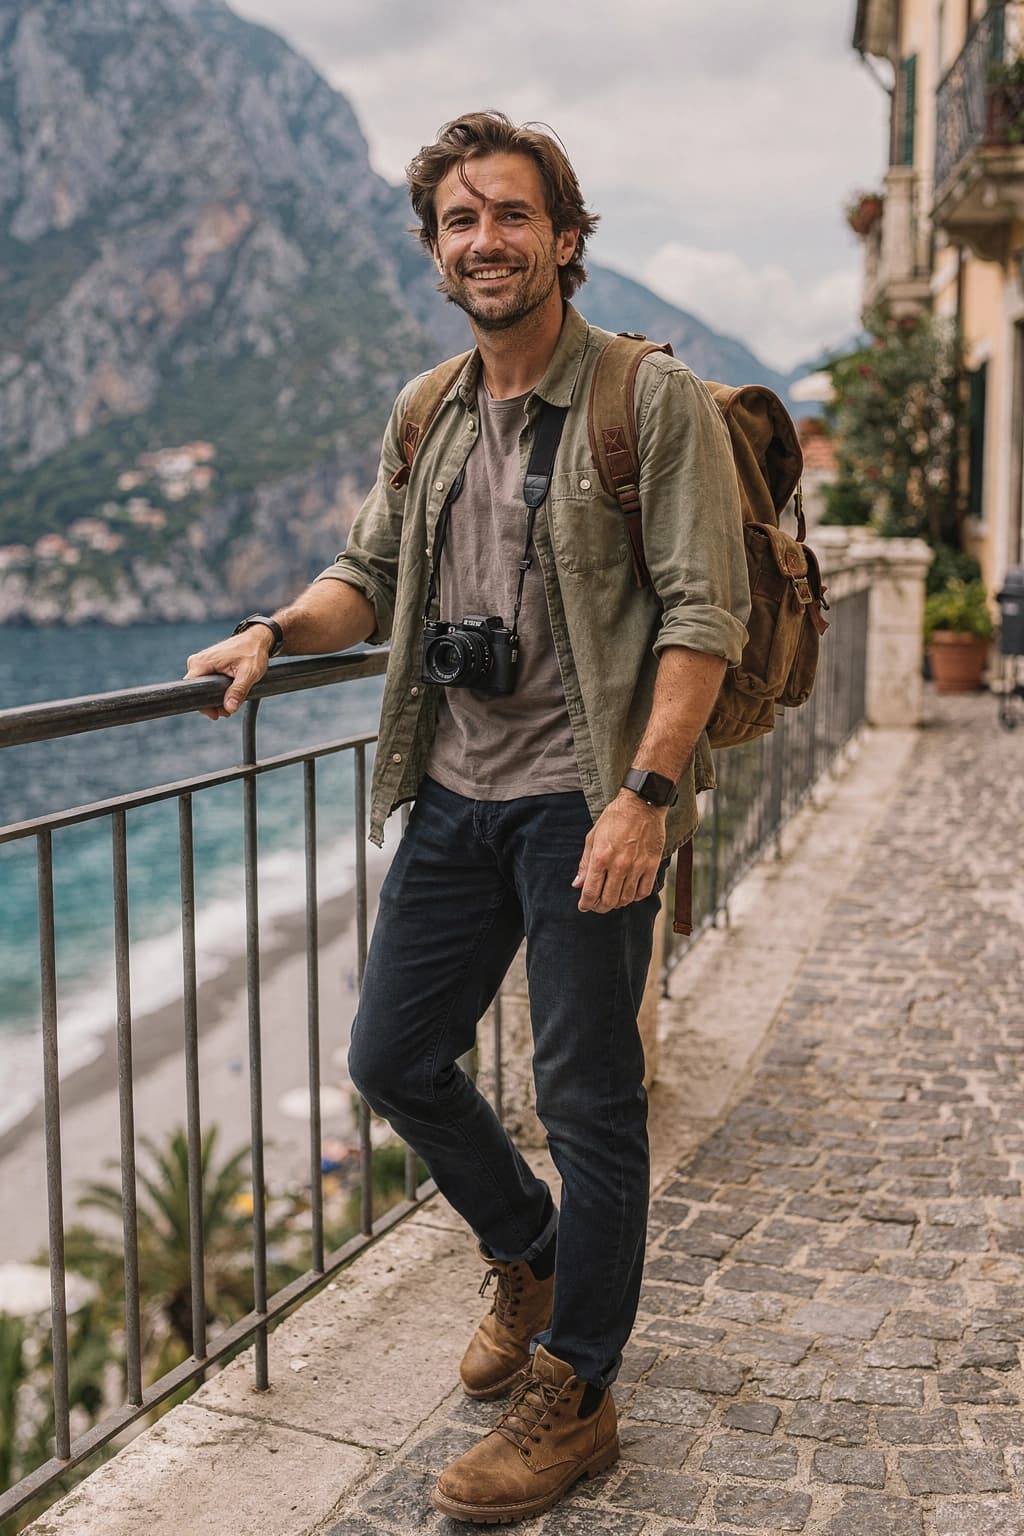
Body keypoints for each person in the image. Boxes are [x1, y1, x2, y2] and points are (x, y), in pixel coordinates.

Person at [185, 110, 749, 1525]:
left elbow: (705, 614)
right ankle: (531, 1254)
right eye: (459, 220)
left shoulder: (645, 401)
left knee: (587, 1100)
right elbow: (368, 575)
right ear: (434, 249)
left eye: (511, 214)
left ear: (565, 237)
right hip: (453, 792)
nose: (484, 240)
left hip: (588, 800)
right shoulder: (429, 408)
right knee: (391, 1058)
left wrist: (644, 798)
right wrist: (273, 631)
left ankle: (579, 1388)